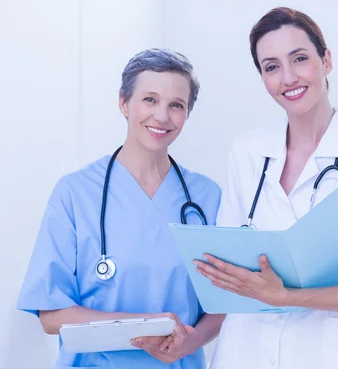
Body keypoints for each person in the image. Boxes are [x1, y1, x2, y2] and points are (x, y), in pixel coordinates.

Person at [192, 7, 338, 369]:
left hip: (330, 355)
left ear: (326, 61)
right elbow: (230, 269)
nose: (289, 77)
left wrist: (284, 296)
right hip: (244, 353)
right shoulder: (246, 151)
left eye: (300, 59)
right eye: (272, 66)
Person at [17, 48, 223, 368]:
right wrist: (147, 327)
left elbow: (225, 302)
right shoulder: (75, 193)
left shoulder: (207, 196)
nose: (162, 116)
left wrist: (192, 340)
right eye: (150, 99)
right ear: (124, 102)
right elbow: (51, 314)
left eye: (176, 105)